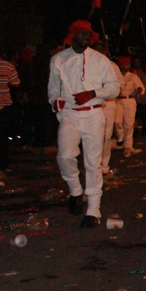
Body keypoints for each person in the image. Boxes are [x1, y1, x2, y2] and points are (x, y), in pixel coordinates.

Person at [48, 21, 120, 228]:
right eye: (82, 33)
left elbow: (114, 87)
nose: (87, 36)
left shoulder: (100, 60)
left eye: (89, 33)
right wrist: (55, 101)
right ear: (72, 36)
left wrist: (93, 93)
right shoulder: (58, 60)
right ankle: (75, 190)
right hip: (69, 114)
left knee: (92, 162)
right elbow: (52, 90)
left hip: (93, 115)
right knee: (65, 155)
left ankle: (93, 210)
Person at [114, 56, 145, 156]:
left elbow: (141, 88)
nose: (129, 65)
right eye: (126, 64)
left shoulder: (133, 76)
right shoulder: (115, 76)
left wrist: (139, 90)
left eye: (129, 63)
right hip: (117, 100)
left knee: (129, 124)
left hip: (129, 100)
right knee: (117, 121)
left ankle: (128, 145)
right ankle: (120, 136)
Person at [0, 52, 21, 173]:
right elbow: (16, 83)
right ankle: (3, 164)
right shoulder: (8, 66)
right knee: (2, 136)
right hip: (4, 104)